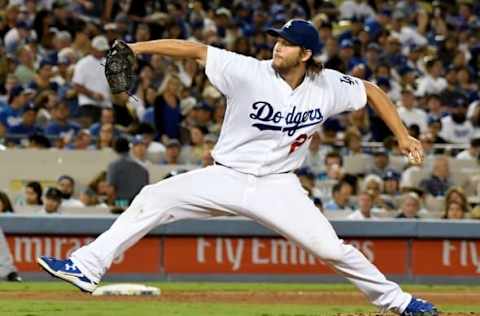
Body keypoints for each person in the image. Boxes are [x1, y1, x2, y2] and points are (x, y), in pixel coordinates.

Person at [37, 19, 436, 315]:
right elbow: (195, 49)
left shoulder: (329, 85)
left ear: (307, 54)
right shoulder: (247, 70)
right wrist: (138, 49)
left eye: (288, 43)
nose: (278, 47)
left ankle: (399, 303)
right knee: (153, 197)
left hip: (278, 186)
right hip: (225, 176)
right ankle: (87, 266)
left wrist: (401, 134)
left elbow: (371, 90)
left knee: (331, 248)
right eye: (277, 39)